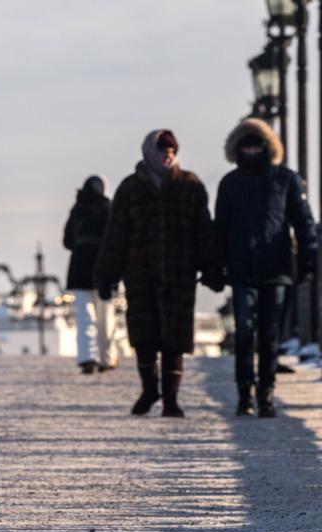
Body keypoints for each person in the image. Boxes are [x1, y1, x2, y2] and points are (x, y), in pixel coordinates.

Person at [95, 129, 221, 418]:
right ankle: (150, 388)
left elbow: (204, 231)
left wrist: (213, 268)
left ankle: (171, 399)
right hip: (140, 272)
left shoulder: (190, 186)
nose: (168, 155)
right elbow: (116, 235)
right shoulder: (130, 189)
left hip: (179, 272)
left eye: (172, 151)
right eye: (162, 150)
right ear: (148, 152)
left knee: (174, 340)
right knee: (144, 337)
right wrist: (106, 275)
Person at [215, 118, 318, 417]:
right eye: (246, 145)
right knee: (245, 332)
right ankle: (244, 393)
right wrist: (215, 267)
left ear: (266, 146)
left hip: (277, 268)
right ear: (237, 148)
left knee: (270, 334)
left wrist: (308, 257)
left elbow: (303, 221)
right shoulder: (230, 183)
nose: (250, 150)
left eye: (256, 144)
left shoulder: (285, 179)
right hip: (241, 267)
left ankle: (267, 393)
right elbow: (220, 229)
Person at [63, 175, 118, 374]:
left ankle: (87, 357)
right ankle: (107, 357)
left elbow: (67, 241)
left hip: (79, 269)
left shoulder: (78, 210)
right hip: (105, 268)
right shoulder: (109, 209)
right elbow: (116, 240)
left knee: (85, 317)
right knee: (106, 316)